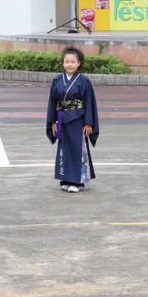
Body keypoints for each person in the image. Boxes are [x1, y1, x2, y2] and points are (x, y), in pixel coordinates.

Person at [46, 47, 99, 193]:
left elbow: (89, 103)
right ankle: (65, 179)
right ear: (63, 63)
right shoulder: (57, 80)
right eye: (66, 61)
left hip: (78, 119)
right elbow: (52, 102)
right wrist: (52, 122)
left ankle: (77, 181)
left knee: (77, 149)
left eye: (72, 62)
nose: (69, 64)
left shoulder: (84, 81)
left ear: (79, 63)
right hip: (62, 118)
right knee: (64, 149)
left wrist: (89, 122)